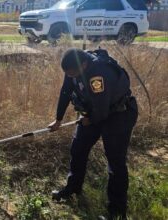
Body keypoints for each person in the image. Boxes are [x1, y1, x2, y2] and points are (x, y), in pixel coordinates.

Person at [48, 48, 138, 220]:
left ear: (84, 64)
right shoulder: (73, 67)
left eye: (73, 74)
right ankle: (73, 189)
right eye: (69, 74)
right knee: (78, 148)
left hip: (119, 114)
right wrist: (58, 119)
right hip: (94, 112)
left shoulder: (98, 73)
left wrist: (90, 119)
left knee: (115, 161)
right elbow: (66, 90)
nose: (71, 77)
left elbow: (102, 110)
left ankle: (117, 211)